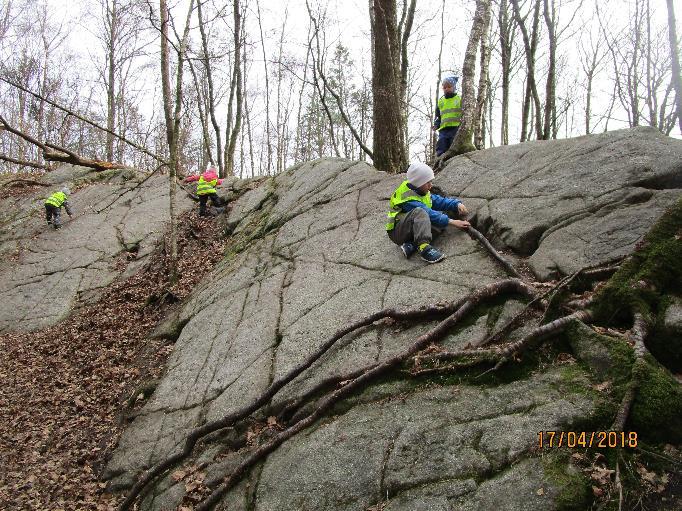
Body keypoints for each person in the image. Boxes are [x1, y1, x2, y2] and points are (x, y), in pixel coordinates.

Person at [386, 162, 470, 263]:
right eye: (427, 182)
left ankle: (411, 245)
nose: (431, 185)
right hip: (398, 231)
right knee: (421, 213)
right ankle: (424, 248)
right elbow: (428, 213)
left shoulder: (420, 190)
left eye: (430, 181)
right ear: (418, 182)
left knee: (439, 223)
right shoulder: (407, 197)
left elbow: (438, 201)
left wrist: (456, 204)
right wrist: (452, 222)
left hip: (410, 229)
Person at [433, 76, 462, 157]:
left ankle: (453, 156)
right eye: (444, 87)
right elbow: (438, 116)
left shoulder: (459, 98)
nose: (447, 89)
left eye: (449, 87)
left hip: (455, 127)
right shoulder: (441, 101)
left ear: (454, 87)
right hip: (443, 128)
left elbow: (465, 112)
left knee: (453, 142)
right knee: (442, 142)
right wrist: (436, 125)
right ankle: (440, 156)